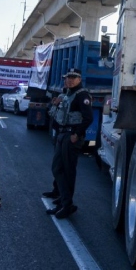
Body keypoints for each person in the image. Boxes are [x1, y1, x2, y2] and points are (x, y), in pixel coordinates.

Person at [43, 68, 94, 219]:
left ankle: (67, 204)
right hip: (63, 134)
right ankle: (63, 200)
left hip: (71, 136)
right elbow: (55, 114)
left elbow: (88, 118)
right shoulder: (67, 94)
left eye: (73, 77)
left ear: (79, 79)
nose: (69, 80)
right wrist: (55, 104)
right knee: (58, 168)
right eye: (67, 78)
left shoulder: (82, 95)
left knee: (68, 171)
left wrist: (77, 134)